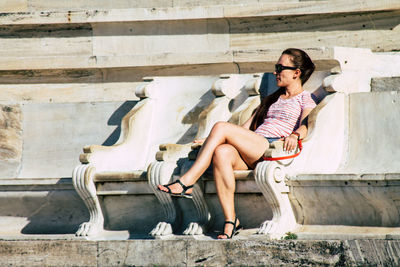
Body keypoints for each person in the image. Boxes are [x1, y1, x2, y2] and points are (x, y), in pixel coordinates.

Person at [157, 48, 317, 239]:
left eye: (279, 67)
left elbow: (307, 124)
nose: (275, 72)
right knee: (221, 152)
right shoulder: (272, 99)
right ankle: (231, 221)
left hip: (271, 147)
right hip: (254, 146)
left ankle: (187, 182)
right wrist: (211, 141)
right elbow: (244, 129)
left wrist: (295, 135)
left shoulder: (305, 98)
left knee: (221, 127)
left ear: (296, 72)